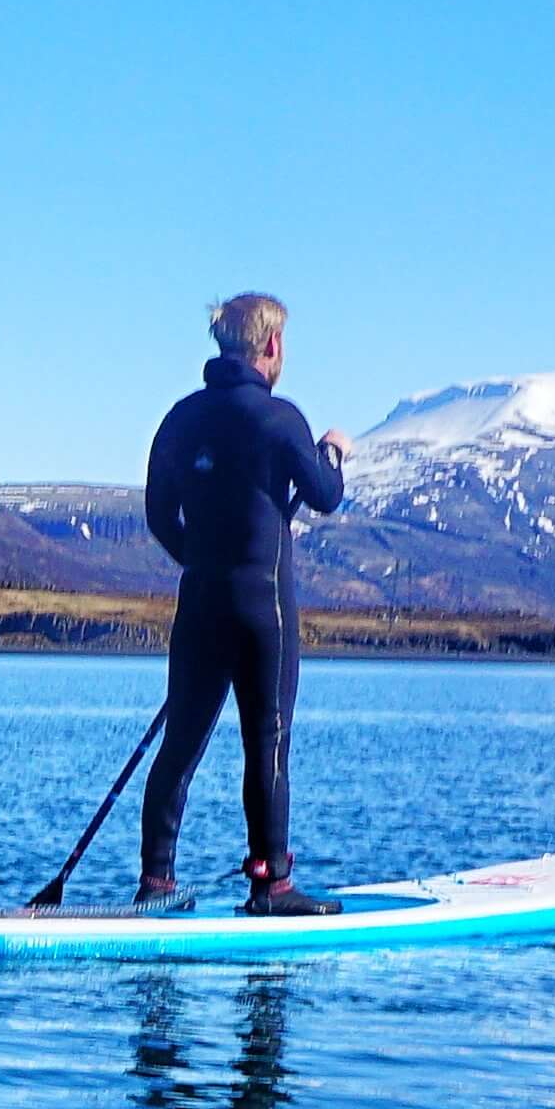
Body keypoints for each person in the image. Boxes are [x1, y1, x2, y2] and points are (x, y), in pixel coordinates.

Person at [136, 289, 348, 910]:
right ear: (272, 345)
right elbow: (325, 493)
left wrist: (202, 562)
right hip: (264, 611)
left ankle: (157, 883)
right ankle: (271, 883)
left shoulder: (179, 418)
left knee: (182, 742)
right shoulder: (281, 420)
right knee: (267, 741)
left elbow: (157, 513)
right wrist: (333, 449)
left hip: (200, 602)